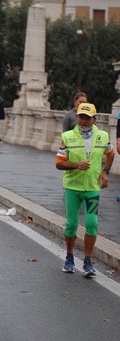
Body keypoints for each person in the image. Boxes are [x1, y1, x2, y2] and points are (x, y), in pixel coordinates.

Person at [56, 103, 114, 277]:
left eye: (87, 118)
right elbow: (59, 163)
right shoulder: (67, 137)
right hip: (72, 188)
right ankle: (69, 257)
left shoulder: (103, 136)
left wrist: (105, 172)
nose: (83, 121)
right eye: (81, 117)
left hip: (92, 189)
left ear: (94, 120)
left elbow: (110, 154)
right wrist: (76, 165)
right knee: (71, 225)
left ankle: (88, 261)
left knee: (92, 224)